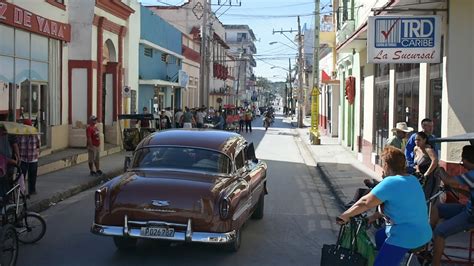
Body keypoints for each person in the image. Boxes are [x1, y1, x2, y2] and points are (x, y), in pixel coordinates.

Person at [337, 146, 432, 266]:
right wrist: (370, 219)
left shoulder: (391, 182)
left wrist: (345, 215)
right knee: (380, 236)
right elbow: (397, 208)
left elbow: (365, 202)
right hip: (424, 232)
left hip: (406, 235)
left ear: (386, 165)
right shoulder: (412, 179)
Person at [430, 145, 474, 266]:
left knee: (440, 231)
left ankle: (435, 263)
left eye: (462, 160)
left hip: (471, 215)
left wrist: (440, 169)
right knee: (437, 208)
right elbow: (469, 193)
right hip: (467, 208)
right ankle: (427, 242)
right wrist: (457, 191)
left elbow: (449, 180)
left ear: (466, 159)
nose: (462, 164)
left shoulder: (473, 175)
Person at [414, 131, 440, 199]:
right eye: (415, 140)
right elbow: (416, 162)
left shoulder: (428, 149)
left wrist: (427, 173)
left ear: (424, 140)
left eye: (419, 140)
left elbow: (435, 161)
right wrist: (417, 169)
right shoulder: (416, 148)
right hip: (420, 176)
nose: (416, 141)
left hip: (430, 177)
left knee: (427, 197)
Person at [18, 119, 40, 196]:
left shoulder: (35, 134)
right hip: (23, 158)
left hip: (33, 158)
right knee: (21, 176)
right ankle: (21, 192)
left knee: (32, 176)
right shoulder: (20, 134)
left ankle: (32, 190)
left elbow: (38, 145)